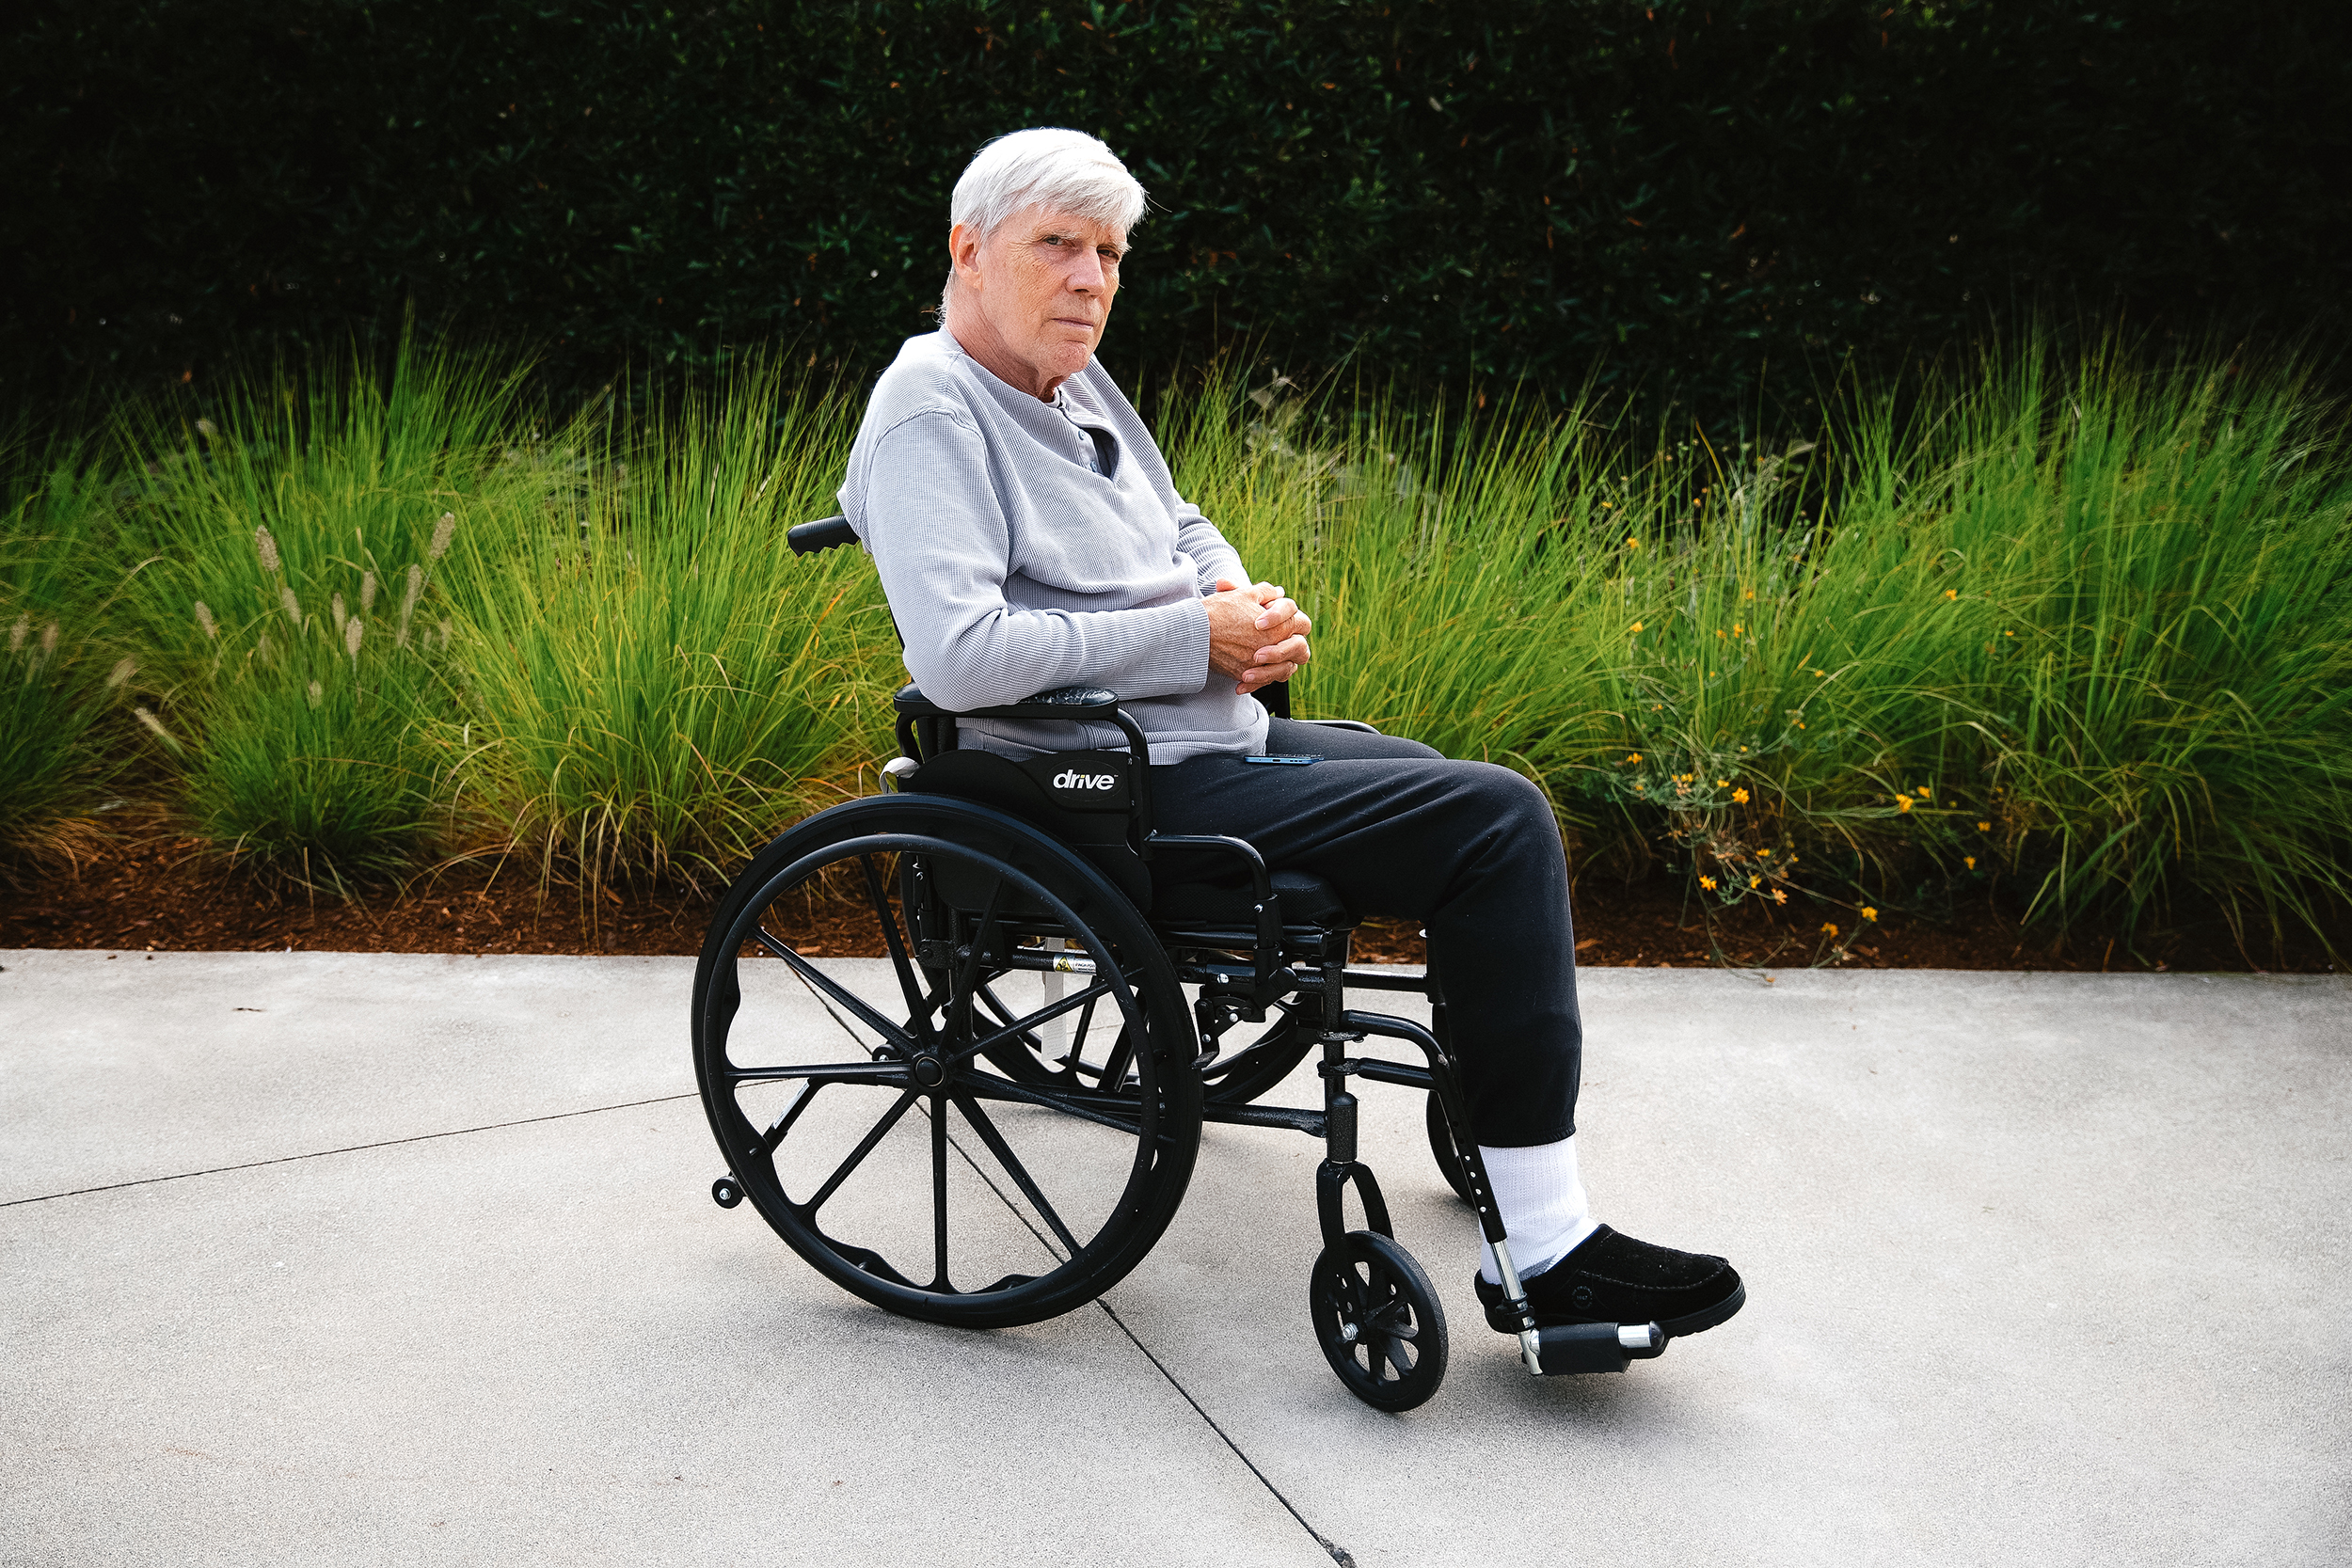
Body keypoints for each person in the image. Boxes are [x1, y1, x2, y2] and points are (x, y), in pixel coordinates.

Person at [838, 127, 1744, 1342]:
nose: (1091, 280)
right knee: (1497, 820)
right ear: (968, 248)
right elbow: (962, 657)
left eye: (1108, 252)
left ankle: (1506, 1137)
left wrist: (1243, 607)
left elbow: (1182, 524)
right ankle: (1549, 1254)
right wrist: (1189, 643)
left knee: (1441, 788)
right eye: (1058, 246)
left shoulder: (1073, 375)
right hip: (1099, 786)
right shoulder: (930, 409)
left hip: (1193, 739)